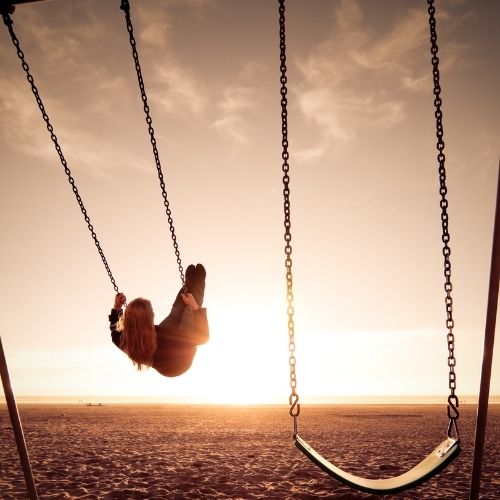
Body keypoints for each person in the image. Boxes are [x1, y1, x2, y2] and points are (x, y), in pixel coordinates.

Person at [108, 263, 209, 377]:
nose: (154, 313)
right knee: (188, 311)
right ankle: (198, 280)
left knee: (176, 311)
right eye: (151, 312)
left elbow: (114, 334)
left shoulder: (127, 338)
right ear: (146, 321)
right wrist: (195, 306)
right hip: (180, 360)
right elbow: (202, 337)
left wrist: (117, 307)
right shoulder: (167, 343)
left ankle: (189, 283)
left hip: (164, 339)